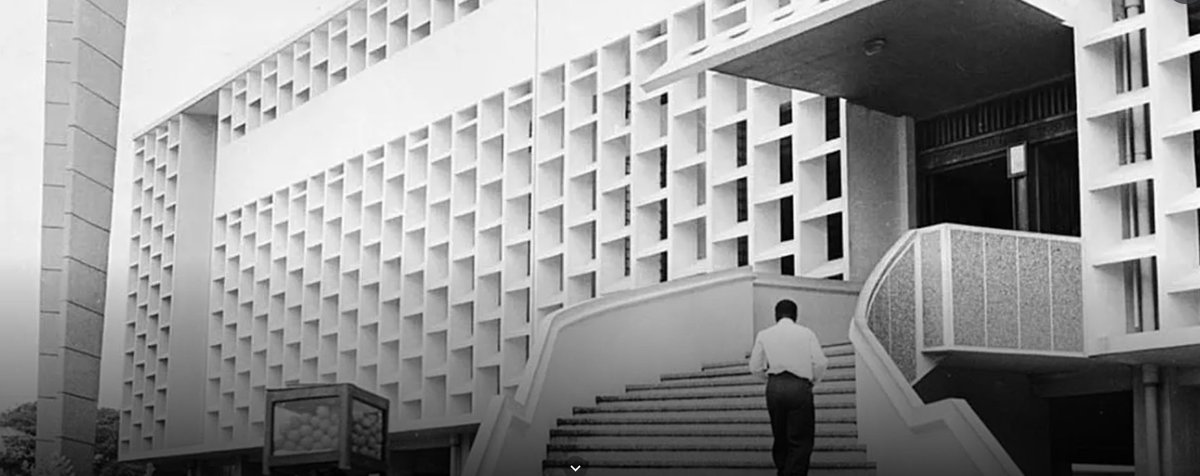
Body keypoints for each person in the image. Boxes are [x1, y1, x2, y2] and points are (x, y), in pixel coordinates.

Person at [749, 299, 828, 476]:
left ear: (776, 315)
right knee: (800, 440)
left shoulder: (764, 334)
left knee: (780, 437)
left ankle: (783, 470)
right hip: (799, 387)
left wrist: (769, 380)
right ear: (795, 315)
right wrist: (811, 381)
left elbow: (754, 366)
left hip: (775, 386)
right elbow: (821, 362)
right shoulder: (806, 333)